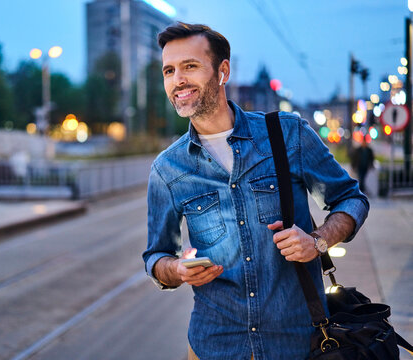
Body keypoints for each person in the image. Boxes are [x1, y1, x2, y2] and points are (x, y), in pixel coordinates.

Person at [142, 22, 369, 360]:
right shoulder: (167, 169)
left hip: (298, 343)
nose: (178, 80)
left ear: (222, 72)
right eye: (169, 70)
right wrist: (174, 271)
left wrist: (318, 241)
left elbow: (351, 199)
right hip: (213, 346)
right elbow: (155, 256)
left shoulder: (288, 134)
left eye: (190, 66)